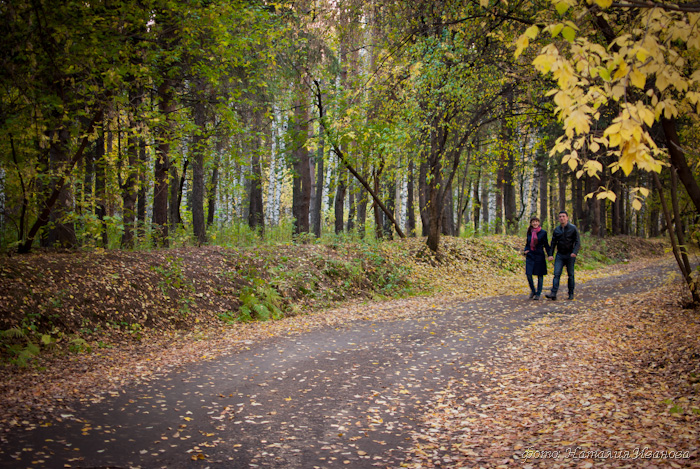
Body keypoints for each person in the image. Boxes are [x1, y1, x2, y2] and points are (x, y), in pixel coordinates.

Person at [545, 211, 581, 300]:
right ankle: (553, 293)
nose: (562, 218)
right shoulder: (557, 230)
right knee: (556, 274)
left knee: (570, 275)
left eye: (563, 216)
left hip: (570, 255)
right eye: (560, 216)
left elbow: (577, 241)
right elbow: (553, 243)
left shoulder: (573, 228)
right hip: (560, 255)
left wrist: (574, 252)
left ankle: (571, 293)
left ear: (567, 218)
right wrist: (550, 254)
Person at [523, 216, 550, 300]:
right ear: (531, 223)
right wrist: (526, 250)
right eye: (533, 222)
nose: (535, 223)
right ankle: (533, 290)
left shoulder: (543, 232)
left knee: (540, 275)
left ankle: (538, 293)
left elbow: (546, 244)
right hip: (530, 255)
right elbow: (527, 243)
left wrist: (550, 254)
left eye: (536, 221)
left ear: (539, 223)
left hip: (539, 255)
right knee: (528, 274)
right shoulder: (529, 232)